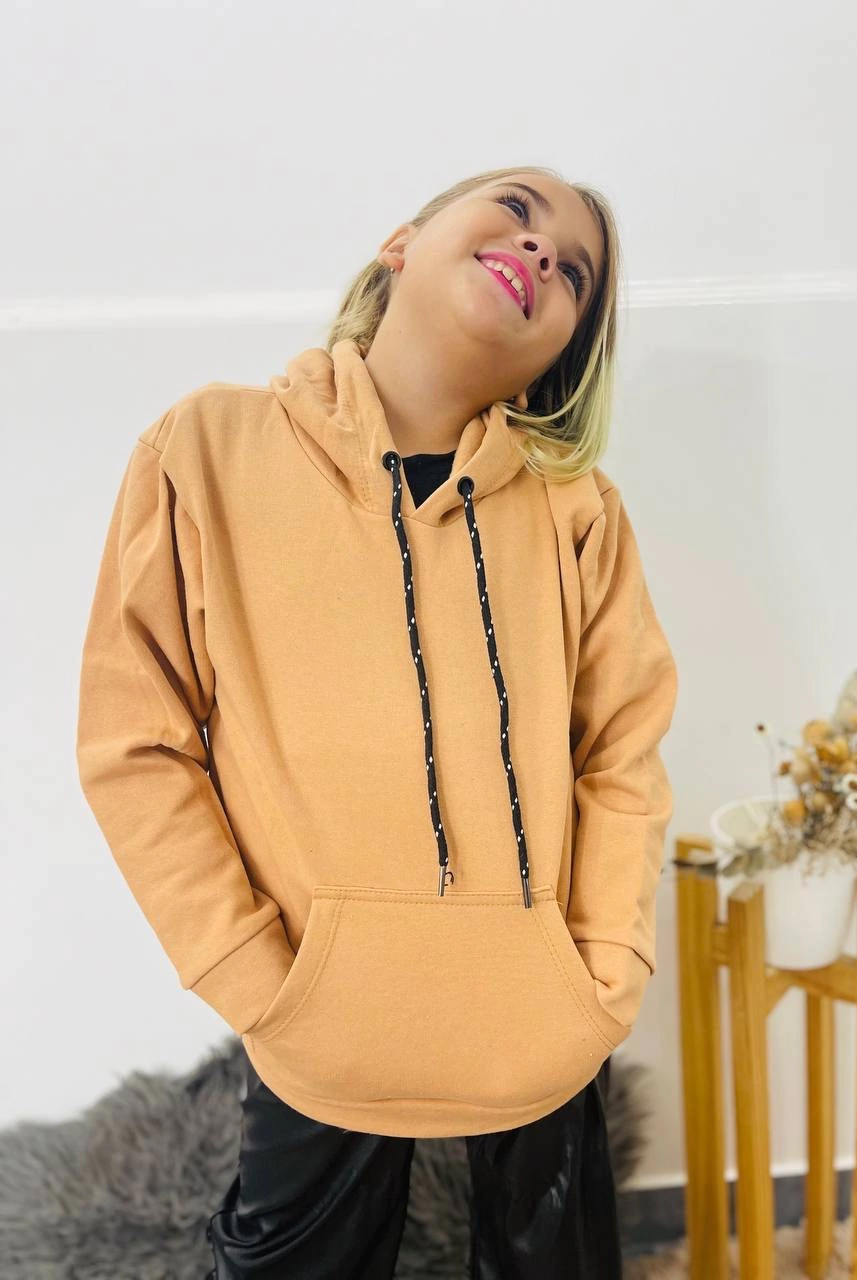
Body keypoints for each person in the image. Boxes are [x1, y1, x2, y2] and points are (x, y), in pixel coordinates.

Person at [75, 164, 680, 1279]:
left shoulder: (577, 511)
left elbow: (620, 752)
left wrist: (605, 970)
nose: (541, 250)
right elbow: (136, 741)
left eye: (576, 272)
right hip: (319, 1013)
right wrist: (253, 973)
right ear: (402, 241)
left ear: (563, 353)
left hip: (540, 1011)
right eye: (517, 209)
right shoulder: (206, 449)